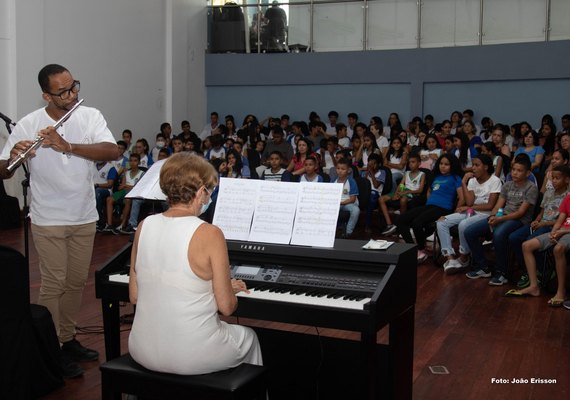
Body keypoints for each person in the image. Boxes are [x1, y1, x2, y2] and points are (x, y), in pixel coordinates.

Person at [0, 64, 118, 378]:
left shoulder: (89, 116)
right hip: (48, 216)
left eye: (73, 87)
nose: (71, 95)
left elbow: (112, 150)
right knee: (53, 283)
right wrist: (14, 155)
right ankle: (49, 347)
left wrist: (68, 146)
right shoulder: (30, 123)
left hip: (83, 214)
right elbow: (3, 169)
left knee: (76, 281)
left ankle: (67, 339)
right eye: (63, 91)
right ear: (46, 95)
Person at [128, 153, 262, 374]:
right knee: (249, 337)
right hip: (192, 354)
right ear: (201, 193)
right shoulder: (209, 233)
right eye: (209, 192)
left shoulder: (144, 225)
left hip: (141, 349)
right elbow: (227, 308)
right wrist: (228, 289)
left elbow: (135, 295)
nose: (208, 199)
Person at [464, 154, 538, 285]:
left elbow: (521, 213)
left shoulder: (531, 188)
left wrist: (500, 219)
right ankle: (483, 267)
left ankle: (501, 272)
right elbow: (499, 204)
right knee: (469, 231)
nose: (515, 173)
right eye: (513, 169)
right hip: (502, 217)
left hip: (519, 221)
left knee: (498, 234)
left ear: (528, 173)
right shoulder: (508, 185)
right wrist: (493, 217)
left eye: (519, 170)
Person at [436, 154, 502, 274]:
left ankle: (464, 257)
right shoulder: (472, 181)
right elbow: (470, 202)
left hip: (486, 215)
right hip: (472, 211)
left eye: (477, 165)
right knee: (441, 222)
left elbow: (490, 205)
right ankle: (450, 258)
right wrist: (463, 182)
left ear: (486, 167)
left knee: (463, 224)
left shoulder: (495, 180)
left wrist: (469, 207)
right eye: (473, 165)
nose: (473, 168)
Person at [396, 154, 464, 262]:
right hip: (430, 206)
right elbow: (429, 190)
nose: (443, 166)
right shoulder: (437, 177)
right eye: (441, 164)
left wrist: (454, 214)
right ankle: (413, 249)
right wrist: (429, 200)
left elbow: (461, 197)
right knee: (400, 220)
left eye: (446, 164)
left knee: (417, 222)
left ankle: (421, 250)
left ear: (452, 165)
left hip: (443, 208)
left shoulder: (456, 178)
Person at [380, 153, 426, 235]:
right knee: (381, 199)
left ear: (419, 163)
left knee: (403, 200)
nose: (411, 164)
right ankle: (389, 224)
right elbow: (401, 185)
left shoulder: (422, 174)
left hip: (412, 193)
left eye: (413, 162)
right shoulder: (407, 173)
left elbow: (420, 190)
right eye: (410, 162)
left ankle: (401, 223)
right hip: (403, 191)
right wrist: (397, 193)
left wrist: (406, 192)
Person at [333, 158, 360, 238]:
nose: (340, 171)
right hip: (337, 203)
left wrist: (340, 203)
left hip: (348, 203)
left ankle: (348, 232)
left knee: (356, 210)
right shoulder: (333, 180)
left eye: (343, 169)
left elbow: (352, 199)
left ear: (348, 170)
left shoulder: (351, 181)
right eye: (338, 168)